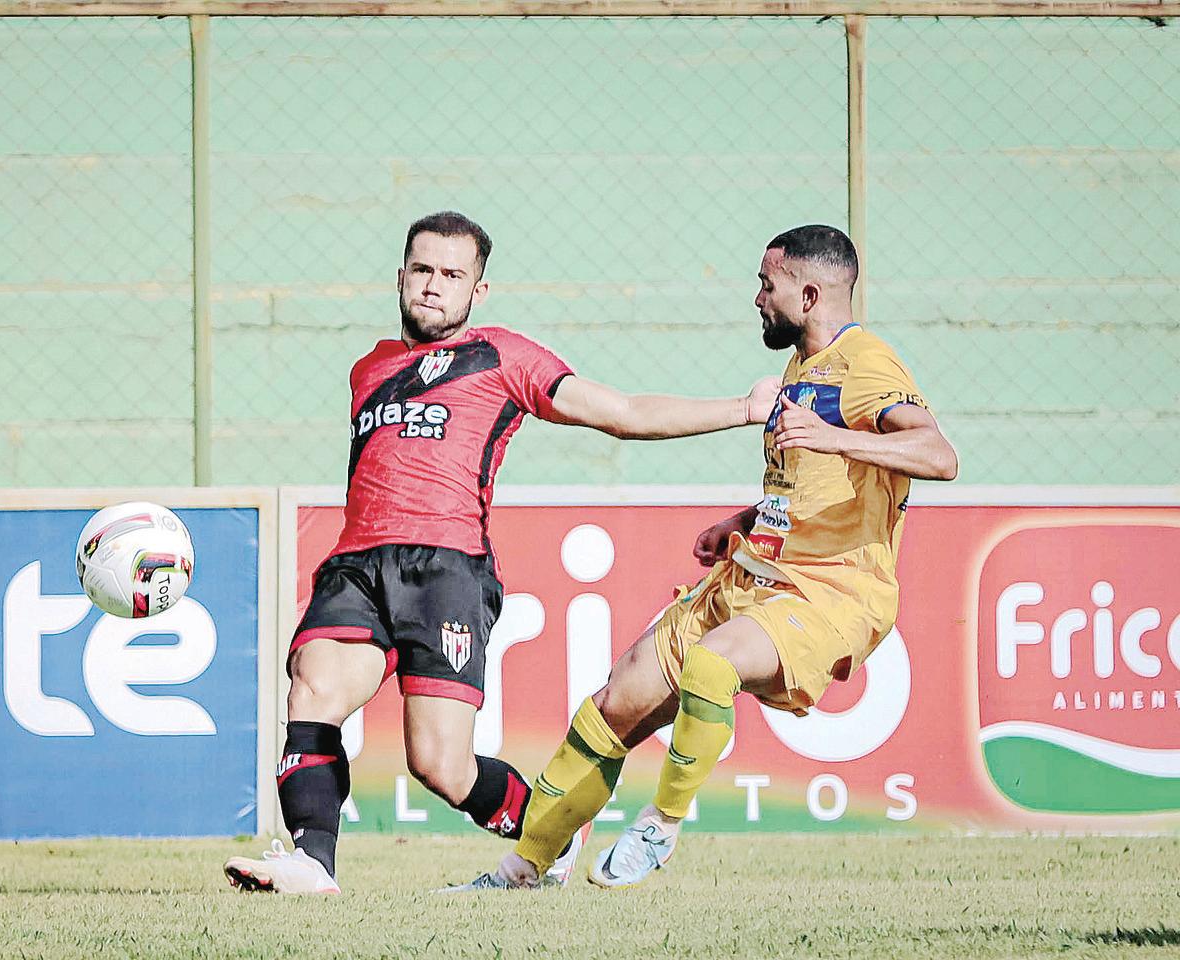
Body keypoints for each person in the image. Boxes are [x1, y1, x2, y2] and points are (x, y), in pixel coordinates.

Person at [223, 211, 780, 894]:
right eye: (422, 270)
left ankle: (553, 826)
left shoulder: (503, 356)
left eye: (452, 275)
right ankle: (312, 862)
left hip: (448, 571)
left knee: (439, 765)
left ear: (477, 292)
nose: (433, 285)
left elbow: (623, 412)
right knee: (312, 690)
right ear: (401, 278)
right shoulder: (367, 369)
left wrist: (743, 409)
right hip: (358, 565)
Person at [447, 223, 958, 892]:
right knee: (608, 707)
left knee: (714, 665)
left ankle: (662, 822)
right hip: (753, 574)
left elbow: (939, 455)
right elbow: (818, 484)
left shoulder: (869, 365)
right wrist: (745, 520)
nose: (756, 298)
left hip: (829, 595)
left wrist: (833, 438)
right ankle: (523, 869)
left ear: (807, 294)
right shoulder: (803, 363)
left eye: (765, 284)